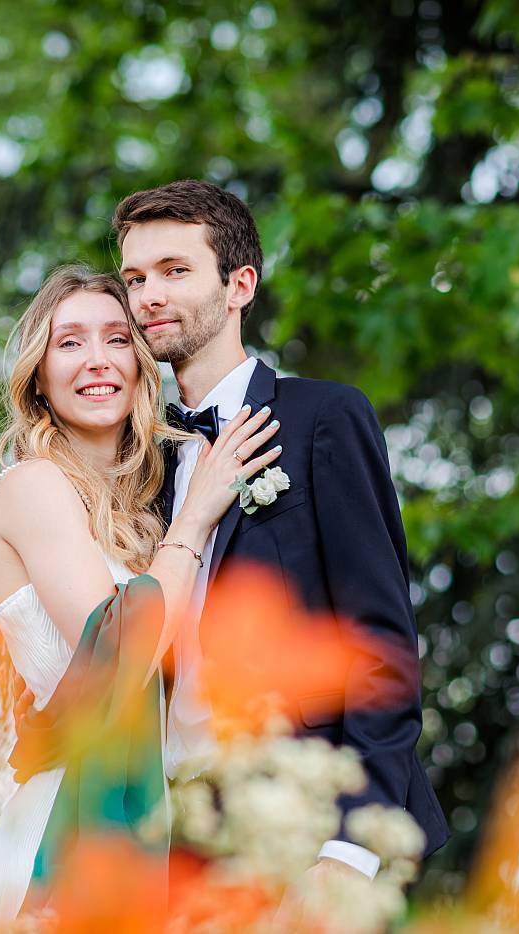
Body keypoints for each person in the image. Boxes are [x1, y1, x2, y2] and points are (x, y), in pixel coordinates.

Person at [112, 179, 450, 879]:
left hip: (306, 828)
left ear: (240, 285)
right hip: (173, 842)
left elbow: (378, 639)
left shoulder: (323, 419)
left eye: (175, 271)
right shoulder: (136, 466)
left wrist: (352, 844)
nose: (149, 296)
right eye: (135, 278)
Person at [0, 265, 282, 932]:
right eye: (70, 343)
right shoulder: (33, 486)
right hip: (64, 833)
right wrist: (197, 522)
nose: (97, 361)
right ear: (39, 374)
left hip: (155, 834)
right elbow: (120, 649)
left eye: (116, 339)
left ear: (142, 365)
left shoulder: (143, 519)